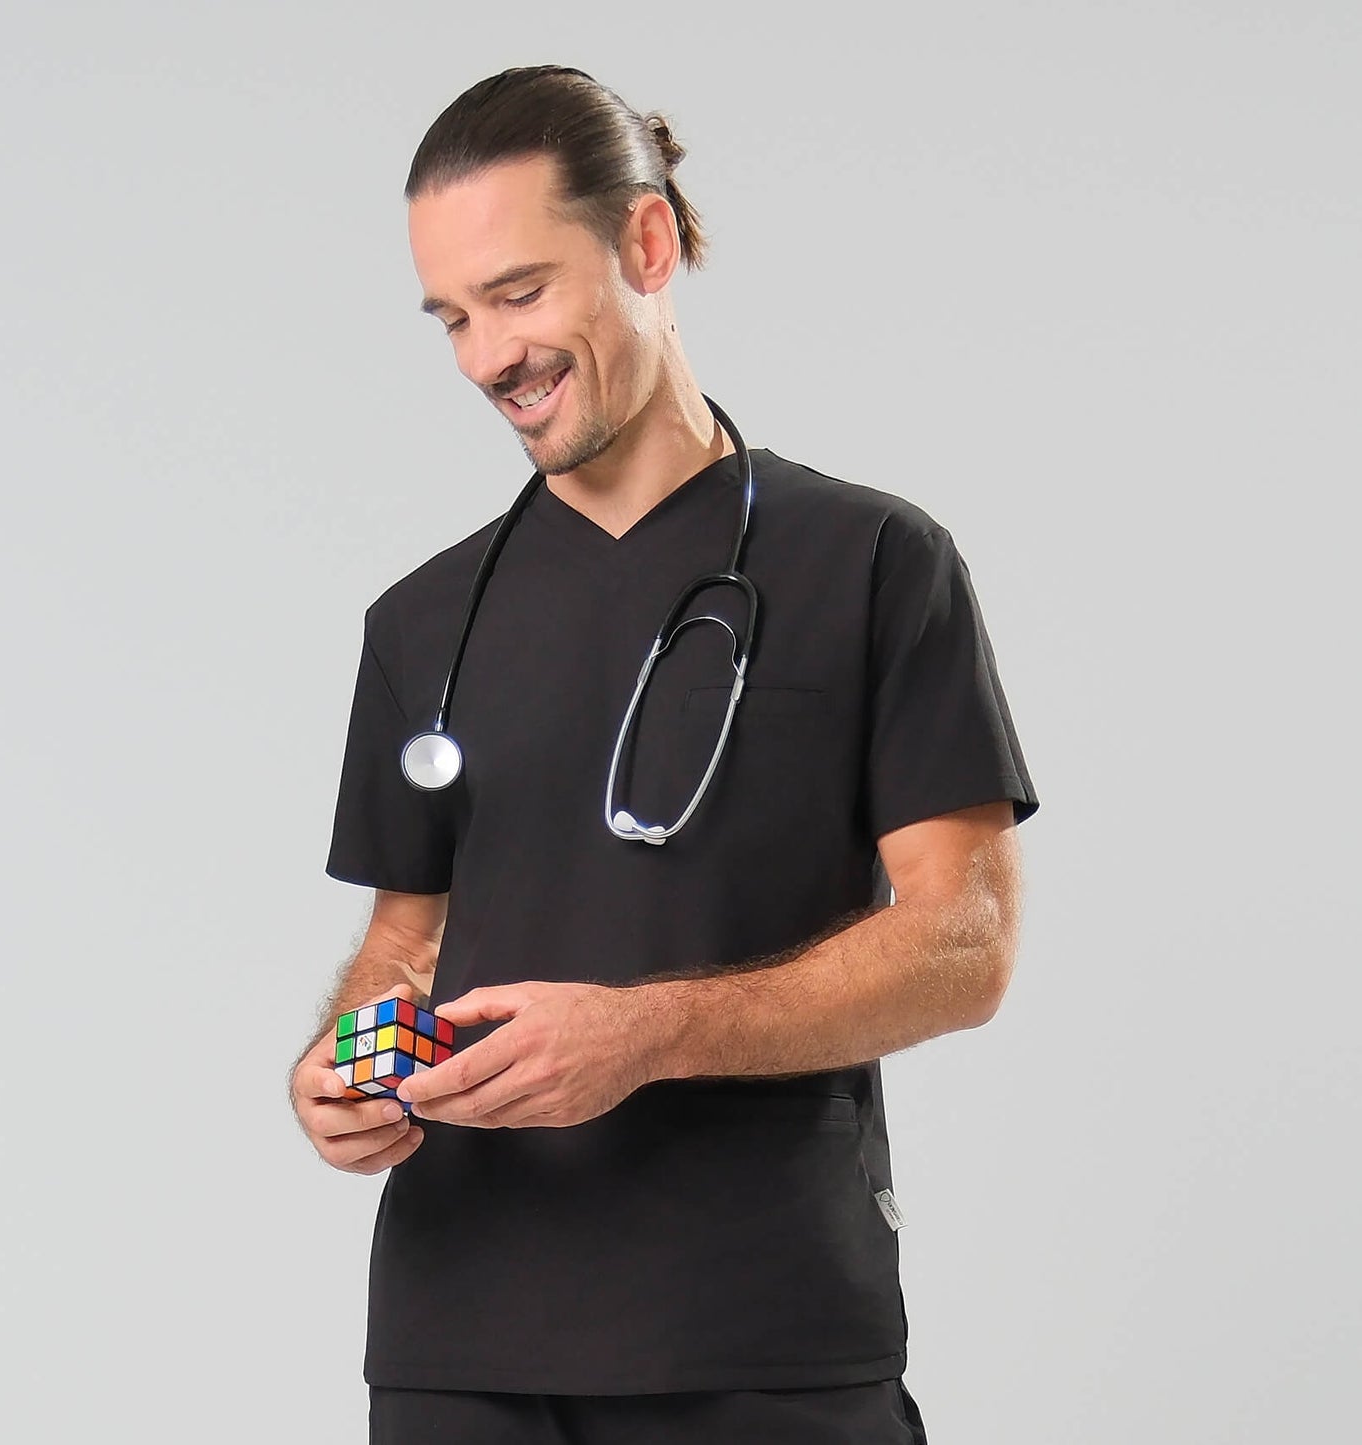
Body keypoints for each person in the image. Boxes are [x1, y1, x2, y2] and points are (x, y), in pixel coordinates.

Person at [289, 63, 1040, 1445]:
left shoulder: (871, 565)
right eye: (449, 317)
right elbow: (406, 931)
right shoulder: (420, 622)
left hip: (756, 1340)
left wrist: (654, 1031)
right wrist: (344, 1059)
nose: (482, 357)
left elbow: (964, 941)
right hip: (456, 1347)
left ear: (643, 243)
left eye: (516, 295)